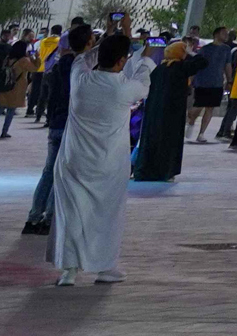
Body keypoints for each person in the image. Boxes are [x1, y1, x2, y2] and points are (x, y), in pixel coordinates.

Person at [48, 30, 135, 287]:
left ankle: (69, 271)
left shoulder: (80, 78)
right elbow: (142, 74)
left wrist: (107, 40)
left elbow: (84, 58)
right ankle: (105, 266)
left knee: (71, 215)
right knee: (106, 215)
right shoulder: (124, 88)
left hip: (74, 160)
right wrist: (125, 37)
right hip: (108, 164)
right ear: (122, 60)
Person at [132, 27, 195, 182]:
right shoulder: (179, 67)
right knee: (166, 144)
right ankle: (164, 171)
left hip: (153, 111)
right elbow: (202, 62)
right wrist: (190, 53)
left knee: (148, 142)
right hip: (171, 113)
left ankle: (142, 170)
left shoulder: (159, 68)